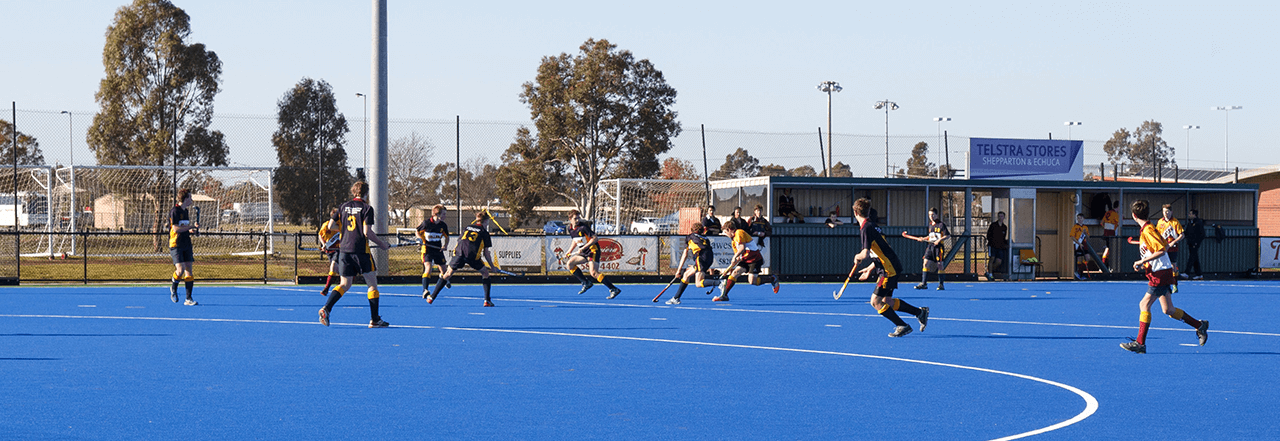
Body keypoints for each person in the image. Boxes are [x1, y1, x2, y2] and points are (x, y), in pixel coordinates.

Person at [1120, 200, 1209, 354]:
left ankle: (1140, 343)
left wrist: (1142, 261)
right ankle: (1200, 325)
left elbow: (1161, 250)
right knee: (1168, 309)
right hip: (1163, 271)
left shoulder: (1148, 230)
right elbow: (1164, 246)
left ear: (1134, 216)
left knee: (1144, 305)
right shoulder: (1150, 228)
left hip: (1160, 273)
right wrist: (1147, 260)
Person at [319, 181, 392, 328]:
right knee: (372, 285)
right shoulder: (367, 208)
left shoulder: (343, 206)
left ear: (353, 192)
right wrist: (382, 244)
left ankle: (326, 308)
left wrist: (344, 230)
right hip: (361, 251)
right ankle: (375, 319)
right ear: (366, 193)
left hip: (344, 251)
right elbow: (367, 232)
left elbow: (331, 226)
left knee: (344, 284)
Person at [852, 198, 929, 338]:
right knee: (887, 301)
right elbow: (881, 252)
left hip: (888, 270)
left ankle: (902, 326)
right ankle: (920, 312)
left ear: (855, 212)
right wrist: (870, 268)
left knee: (875, 301)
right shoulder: (873, 226)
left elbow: (865, 253)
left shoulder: (865, 228)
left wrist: (857, 257)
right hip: (890, 266)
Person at [426, 212, 496, 307]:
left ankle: (432, 297)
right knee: (485, 273)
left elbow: (460, 240)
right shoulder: (484, 233)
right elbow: (486, 253)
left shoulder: (467, 227)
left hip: (459, 253)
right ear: (486, 221)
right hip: (472, 255)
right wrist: (492, 266)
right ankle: (487, 300)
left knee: (448, 274)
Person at [713, 221, 780, 301]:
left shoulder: (739, 232)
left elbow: (742, 248)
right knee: (735, 272)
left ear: (729, 229)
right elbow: (738, 257)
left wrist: (734, 257)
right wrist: (730, 268)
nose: (725, 235)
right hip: (745, 260)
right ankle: (724, 295)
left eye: (725, 232)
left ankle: (772, 278)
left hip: (754, 259)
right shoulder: (733, 242)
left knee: (752, 281)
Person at [564, 217, 623, 299]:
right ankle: (586, 282)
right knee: (570, 264)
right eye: (575, 218)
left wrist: (583, 247)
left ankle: (613, 289)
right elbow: (575, 240)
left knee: (593, 273)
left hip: (593, 251)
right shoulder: (570, 229)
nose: (577, 220)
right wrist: (569, 251)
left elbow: (595, 238)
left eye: (578, 218)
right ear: (570, 219)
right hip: (584, 252)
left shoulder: (583, 227)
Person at [666, 223, 720, 305]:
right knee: (686, 274)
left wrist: (678, 270)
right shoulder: (705, 238)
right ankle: (676, 298)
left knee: (698, 283)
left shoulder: (690, 237)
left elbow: (685, 255)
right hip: (709, 258)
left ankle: (719, 283)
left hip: (700, 259)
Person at [902, 207, 950, 290]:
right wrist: (923, 238)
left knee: (940, 265)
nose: (931, 217)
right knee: (925, 263)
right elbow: (931, 236)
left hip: (938, 248)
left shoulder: (941, 225)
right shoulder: (930, 225)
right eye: (930, 215)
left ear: (936, 215)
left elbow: (947, 235)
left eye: (933, 215)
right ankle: (924, 283)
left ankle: (941, 284)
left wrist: (939, 240)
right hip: (930, 246)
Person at [168, 189, 199, 306]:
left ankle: (188, 299)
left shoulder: (186, 211)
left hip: (186, 243)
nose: (191, 200)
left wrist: (192, 230)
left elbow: (184, 228)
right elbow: (176, 228)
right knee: (180, 271)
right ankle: (174, 287)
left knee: (189, 271)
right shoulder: (175, 211)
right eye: (190, 197)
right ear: (185, 199)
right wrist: (190, 227)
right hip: (176, 244)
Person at [416, 204, 451, 297]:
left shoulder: (443, 225)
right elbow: (417, 231)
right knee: (428, 268)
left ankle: (443, 279)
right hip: (427, 250)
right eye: (443, 214)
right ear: (437, 214)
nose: (445, 216)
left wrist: (445, 245)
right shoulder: (426, 223)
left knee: (444, 271)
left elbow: (447, 237)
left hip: (438, 250)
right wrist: (419, 240)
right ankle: (425, 290)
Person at [1156, 204, 1185, 290]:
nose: (1166, 213)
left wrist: (1173, 242)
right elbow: (1157, 234)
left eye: (1167, 211)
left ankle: (1175, 284)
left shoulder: (1175, 222)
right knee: (1163, 266)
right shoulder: (1160, 222)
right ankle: (1165, 285)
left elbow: (1182, 235)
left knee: (1173, 266)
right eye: (1164, 212)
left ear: (1171, 212)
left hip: (1173, 248)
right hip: (1163, 248)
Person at [318, 208, 341, 296]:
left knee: (333, 266)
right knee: (336, 269)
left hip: (338, 250)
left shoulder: (341, 225)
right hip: (329, 251)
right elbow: (320, 235)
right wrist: (323, 244)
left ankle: (326, 289)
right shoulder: (326, 225)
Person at [985, 211, 1008, 281]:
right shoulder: (993, 225)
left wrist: (1005, 243)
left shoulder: (1004, 227)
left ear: (1004, 217)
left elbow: (1003, 237)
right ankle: (990, 274)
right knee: (992, 258)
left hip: (1000, 247)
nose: (1001, 218)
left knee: (999, 261)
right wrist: (991, 242)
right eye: (999, 216)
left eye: (1002, 216)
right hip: (993, 246)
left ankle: (990, 270)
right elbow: (988, 235)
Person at [1184, 209, 1205, 280]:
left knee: (1191, 257)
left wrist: (1197, 242)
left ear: (1194, 215)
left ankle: (1187, 273)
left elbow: (1202, 234)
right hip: (1190, 243)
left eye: (1191, 214)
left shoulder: (1199, 223)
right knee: (1195, 258)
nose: (1189, 215)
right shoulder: (1190, 223)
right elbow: (1186, 232)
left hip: (1195, 244)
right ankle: (1199, 274)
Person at [1100, 200, 1121, 267]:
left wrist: (1106, 227)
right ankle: (1103, 265)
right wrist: (1112, 228)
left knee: (1108, 248)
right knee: (1108, 248)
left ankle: (1105, 265)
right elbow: (1118, 224)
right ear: (1118, 207)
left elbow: (1101, 223)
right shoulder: (1115, 214)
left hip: (1106, 232)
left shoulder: (1107, 212)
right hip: (1111, 233)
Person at [1070, 213, 1089, 280]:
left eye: (1080, 218)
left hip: (1084, 243)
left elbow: (1088, 237)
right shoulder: (1075, 227)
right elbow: (1072, 237)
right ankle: (1079, 273)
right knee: (1079, 258)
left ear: (1083, 219)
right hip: (1078, 244)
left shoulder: (1085, 227)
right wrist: (1079, 243)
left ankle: (1081, 271)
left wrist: (1085, 233)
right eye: (1078, 218)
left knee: (1087, 257)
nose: (1079, 219)